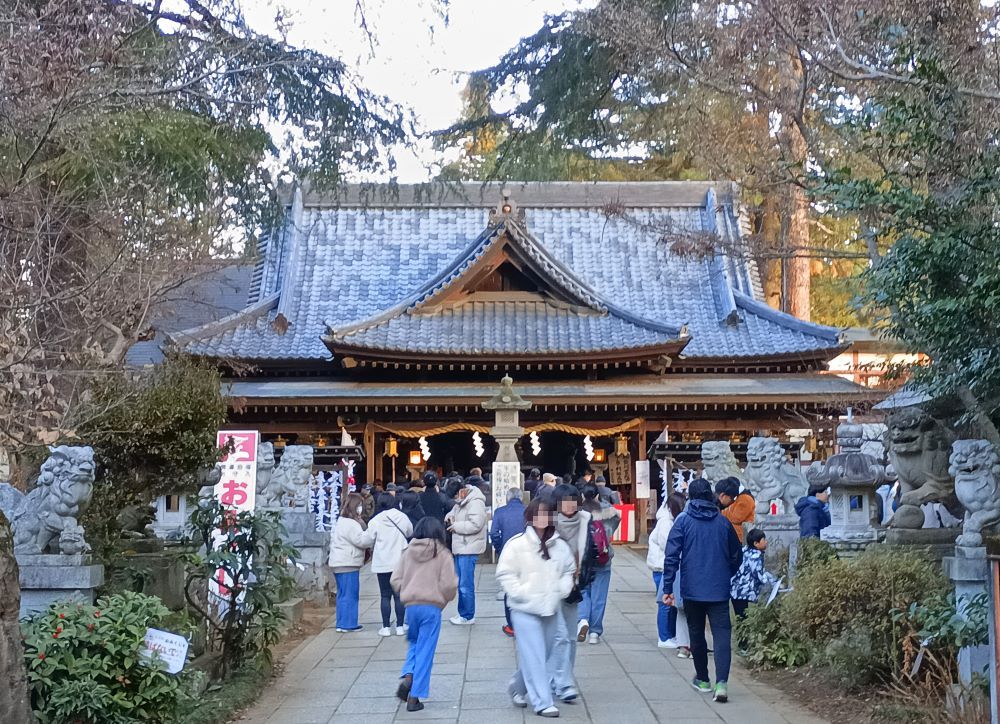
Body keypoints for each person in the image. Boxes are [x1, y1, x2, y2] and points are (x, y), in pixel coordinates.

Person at [662, 478, 743, 703]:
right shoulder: (723, 522)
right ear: (711, 495)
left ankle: (704, 679)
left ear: (691, 497)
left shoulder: (683, 521)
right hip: (719, 588)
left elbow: (671, 557)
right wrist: (727, 573)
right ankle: (722, 683)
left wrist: (668, 588)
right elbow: (737, 554)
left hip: (692, 589)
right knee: (722, 635)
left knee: (696, 633)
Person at [497, 498, 575, 718]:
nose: (542, 519)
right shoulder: (517, 544)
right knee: (534, 655)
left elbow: (568, 570)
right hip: (524, 608)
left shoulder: (559, 545)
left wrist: (562, 589)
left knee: (544, 653)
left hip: (550, 606)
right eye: (537, 514)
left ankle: (517, 685)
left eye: (546, 514)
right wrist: (520, 591)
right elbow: (505, 573)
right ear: (530, 517)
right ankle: (542, 702)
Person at [392, 517, 458, 713]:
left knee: (414, 643)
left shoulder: (407, 552)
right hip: (431, 607)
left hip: (411, 607)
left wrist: (407, 590)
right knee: (426, 650)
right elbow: (449, 585)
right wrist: (444, 598)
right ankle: (414, 697)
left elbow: (395, 579)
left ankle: (409, 673)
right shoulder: (443, 554)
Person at [550, 484, 592, 701]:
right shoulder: (547, 522)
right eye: (564, 501)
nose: (569, 505)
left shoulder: (585, 520)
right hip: (551, 586)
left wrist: (584, 575)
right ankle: (563, 682)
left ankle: (561, 678)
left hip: (574, 586)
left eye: (572, 500)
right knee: (560, 637)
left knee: (570, 637)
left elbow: (590, 551)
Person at [577, 484, 620, 645]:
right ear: (597, 496)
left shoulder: (578, 512)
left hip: (583, 559)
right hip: (603, 557)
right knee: (599, 596)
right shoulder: (608, 511)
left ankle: (582, 620)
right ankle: (595, 632)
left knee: (583, 591)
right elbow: (617, 519)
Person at [328, 492, 374, 633]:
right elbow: (361, 541)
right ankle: (349, 623)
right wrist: (370, 534)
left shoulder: (342, 521)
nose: (361, 508)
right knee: (350, 594)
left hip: (339, 562)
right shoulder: (351, 524)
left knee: (342, 594)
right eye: (359, 505)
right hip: (348, 562)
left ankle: (341, 622)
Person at [369, 493, 414, 637]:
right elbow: (409, 531)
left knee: (384, 595)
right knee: (399, 595)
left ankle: (386, 627)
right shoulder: (402, 517)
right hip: (399, 561)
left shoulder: (375, 520)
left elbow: (369, 538)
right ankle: (400, 626)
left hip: (382, 561)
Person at [444, 480, 487, 625]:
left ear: (461, 491)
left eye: (455, 496)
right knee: (461, 583)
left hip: (469, 547)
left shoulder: (475, 501)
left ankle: (468, 615)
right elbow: (456, 510)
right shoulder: (462, 500)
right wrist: (450, 516)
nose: (455, 499)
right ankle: (463, 614)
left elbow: (476, 524)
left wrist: (456, 526)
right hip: (462, 546)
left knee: (465, 584)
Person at [730, 528, 778, 651]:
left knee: (740, 618)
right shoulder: (756, 556)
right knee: (744, 619)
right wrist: (775, 582)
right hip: (744, 591)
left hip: (735, 589)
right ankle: (744, 647)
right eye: (764, 540)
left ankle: (742, 645)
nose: (766, 542)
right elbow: (759, 575)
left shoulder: (744, 551)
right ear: (756, 544)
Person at [647, 492, 685, 648]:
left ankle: (670, 634)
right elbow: (666, 544)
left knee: (670, 601)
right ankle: (664, 637)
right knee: (664, 602)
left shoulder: (670, 520)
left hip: (667, 566)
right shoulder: (665, 522)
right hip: (662, 566)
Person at [490, 487, 527, 637]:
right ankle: (525, 621)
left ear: (508, 497)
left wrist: (500, 549)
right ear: (521, 497)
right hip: (526, 552)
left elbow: (493, 533)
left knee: (509, 588)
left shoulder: (500, 512)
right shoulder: (528, 510)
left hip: (507, 554)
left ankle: (512, 625)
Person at [716, 477, 755, 544]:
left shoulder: (745, 499)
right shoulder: (739, 497)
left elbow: (736, 518)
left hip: (741, 539)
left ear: (724, 495)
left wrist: (721, 512)